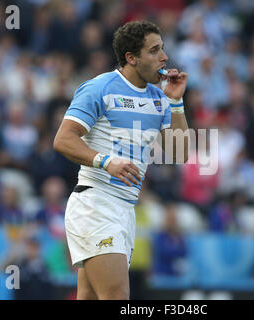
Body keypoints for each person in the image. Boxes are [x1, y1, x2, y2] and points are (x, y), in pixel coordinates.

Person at [53, 20, 189, 300]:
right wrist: (105, 161)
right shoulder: (99, 87)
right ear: (131, 57)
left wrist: (176, 102)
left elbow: (179, 153)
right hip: (96, 204)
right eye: (154, 51)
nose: (164, 57)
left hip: (124, 209)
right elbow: (63, 140)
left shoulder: (159, 98)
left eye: (162, 49)